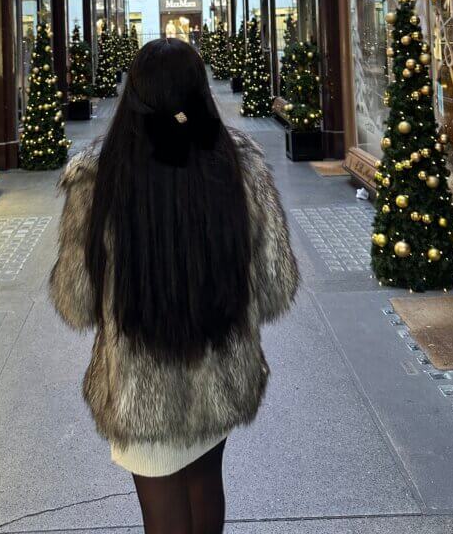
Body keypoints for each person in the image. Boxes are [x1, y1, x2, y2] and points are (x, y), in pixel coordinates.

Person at [50, 38, 299, 534]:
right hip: (219, 368)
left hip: (140, 380)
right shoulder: (240, 166)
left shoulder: (98, 178)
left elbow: (75, 302)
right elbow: (275, 286)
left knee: (160, 497)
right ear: (200, 92)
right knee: (206, 480)